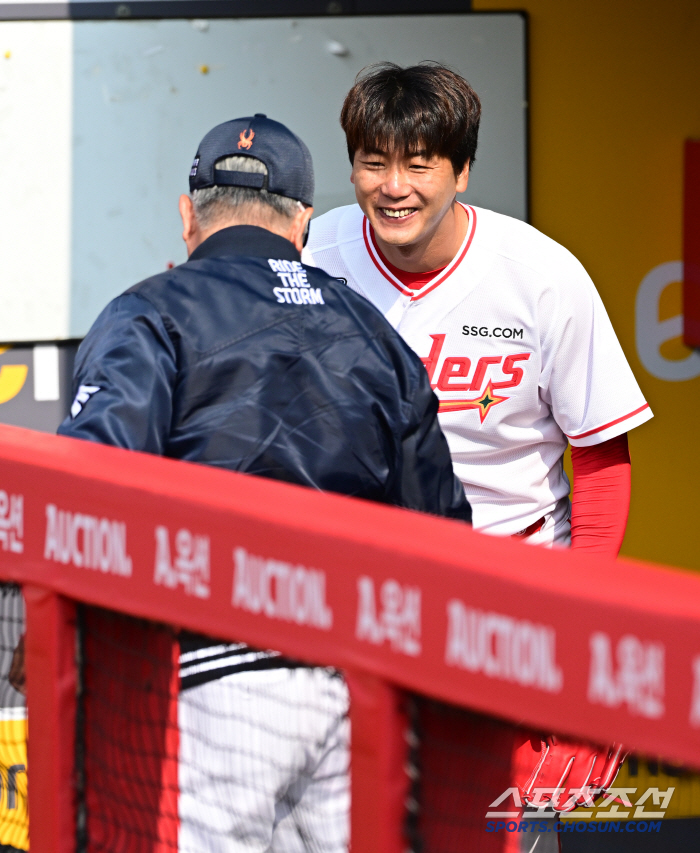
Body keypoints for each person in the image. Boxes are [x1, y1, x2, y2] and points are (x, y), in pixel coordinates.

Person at [57, 114, 471, 853]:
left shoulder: (148, 312)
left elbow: (87, 493)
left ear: (188, 213)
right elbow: (446, 536)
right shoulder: (376, 332)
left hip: (213, 675)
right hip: (359, 683)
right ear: (303, 221)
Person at [303, 62, 653, 556]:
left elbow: (599, 454)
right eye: (375, 162)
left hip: (512, 564)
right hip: (354, 565)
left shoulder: (541, 273)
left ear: (462, 171)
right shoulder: (307, 258)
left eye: (419, 164)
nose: (394, 187)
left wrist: (584, 593)